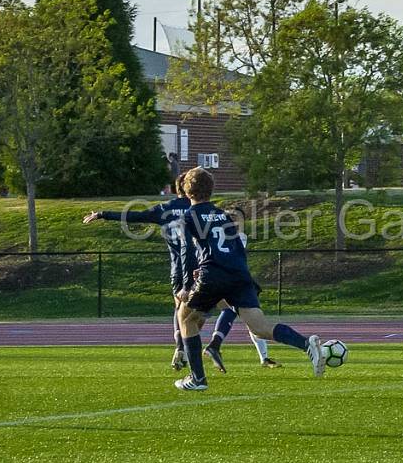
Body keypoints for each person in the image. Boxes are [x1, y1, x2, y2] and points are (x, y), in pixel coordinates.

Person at [174, 167, 327, 391]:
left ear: (188, 192)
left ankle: (198, 378)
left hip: (214, 274)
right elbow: (235, 248)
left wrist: (187, 286)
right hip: (238, 273)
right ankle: (306, 345)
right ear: (211, 190)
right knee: (260, 327)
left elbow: (186, 252)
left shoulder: (189, 216)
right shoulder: (223, 215)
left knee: (185, 318)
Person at [83, 177, 193, 371]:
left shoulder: (163, 209)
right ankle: (213, 342)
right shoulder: (198, 209)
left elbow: (134, 216)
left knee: (180, 309)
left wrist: (103, 214)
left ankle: (181, 348)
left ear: (177, 190)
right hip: (201, 268)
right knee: (213, 309)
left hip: (178, 269)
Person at [204, 207, 281, 370]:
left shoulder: (240, 237)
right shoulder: (222, 235)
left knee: (252, 321)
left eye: (236, 217)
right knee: (225, 312)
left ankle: (263, 357)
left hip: (235, 281)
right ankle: (203, 348)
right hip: (223, 280)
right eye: (230, 217)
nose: (233, 219)